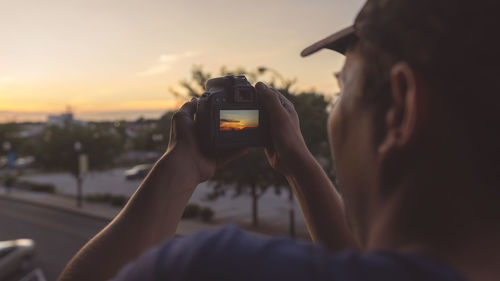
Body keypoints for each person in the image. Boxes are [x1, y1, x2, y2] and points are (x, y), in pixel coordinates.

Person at [58, 0, 500, 280]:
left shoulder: (218, 267)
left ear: (401, 109)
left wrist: (181, 166)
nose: (334, 109)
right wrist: (297, 162)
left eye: (341, 89)